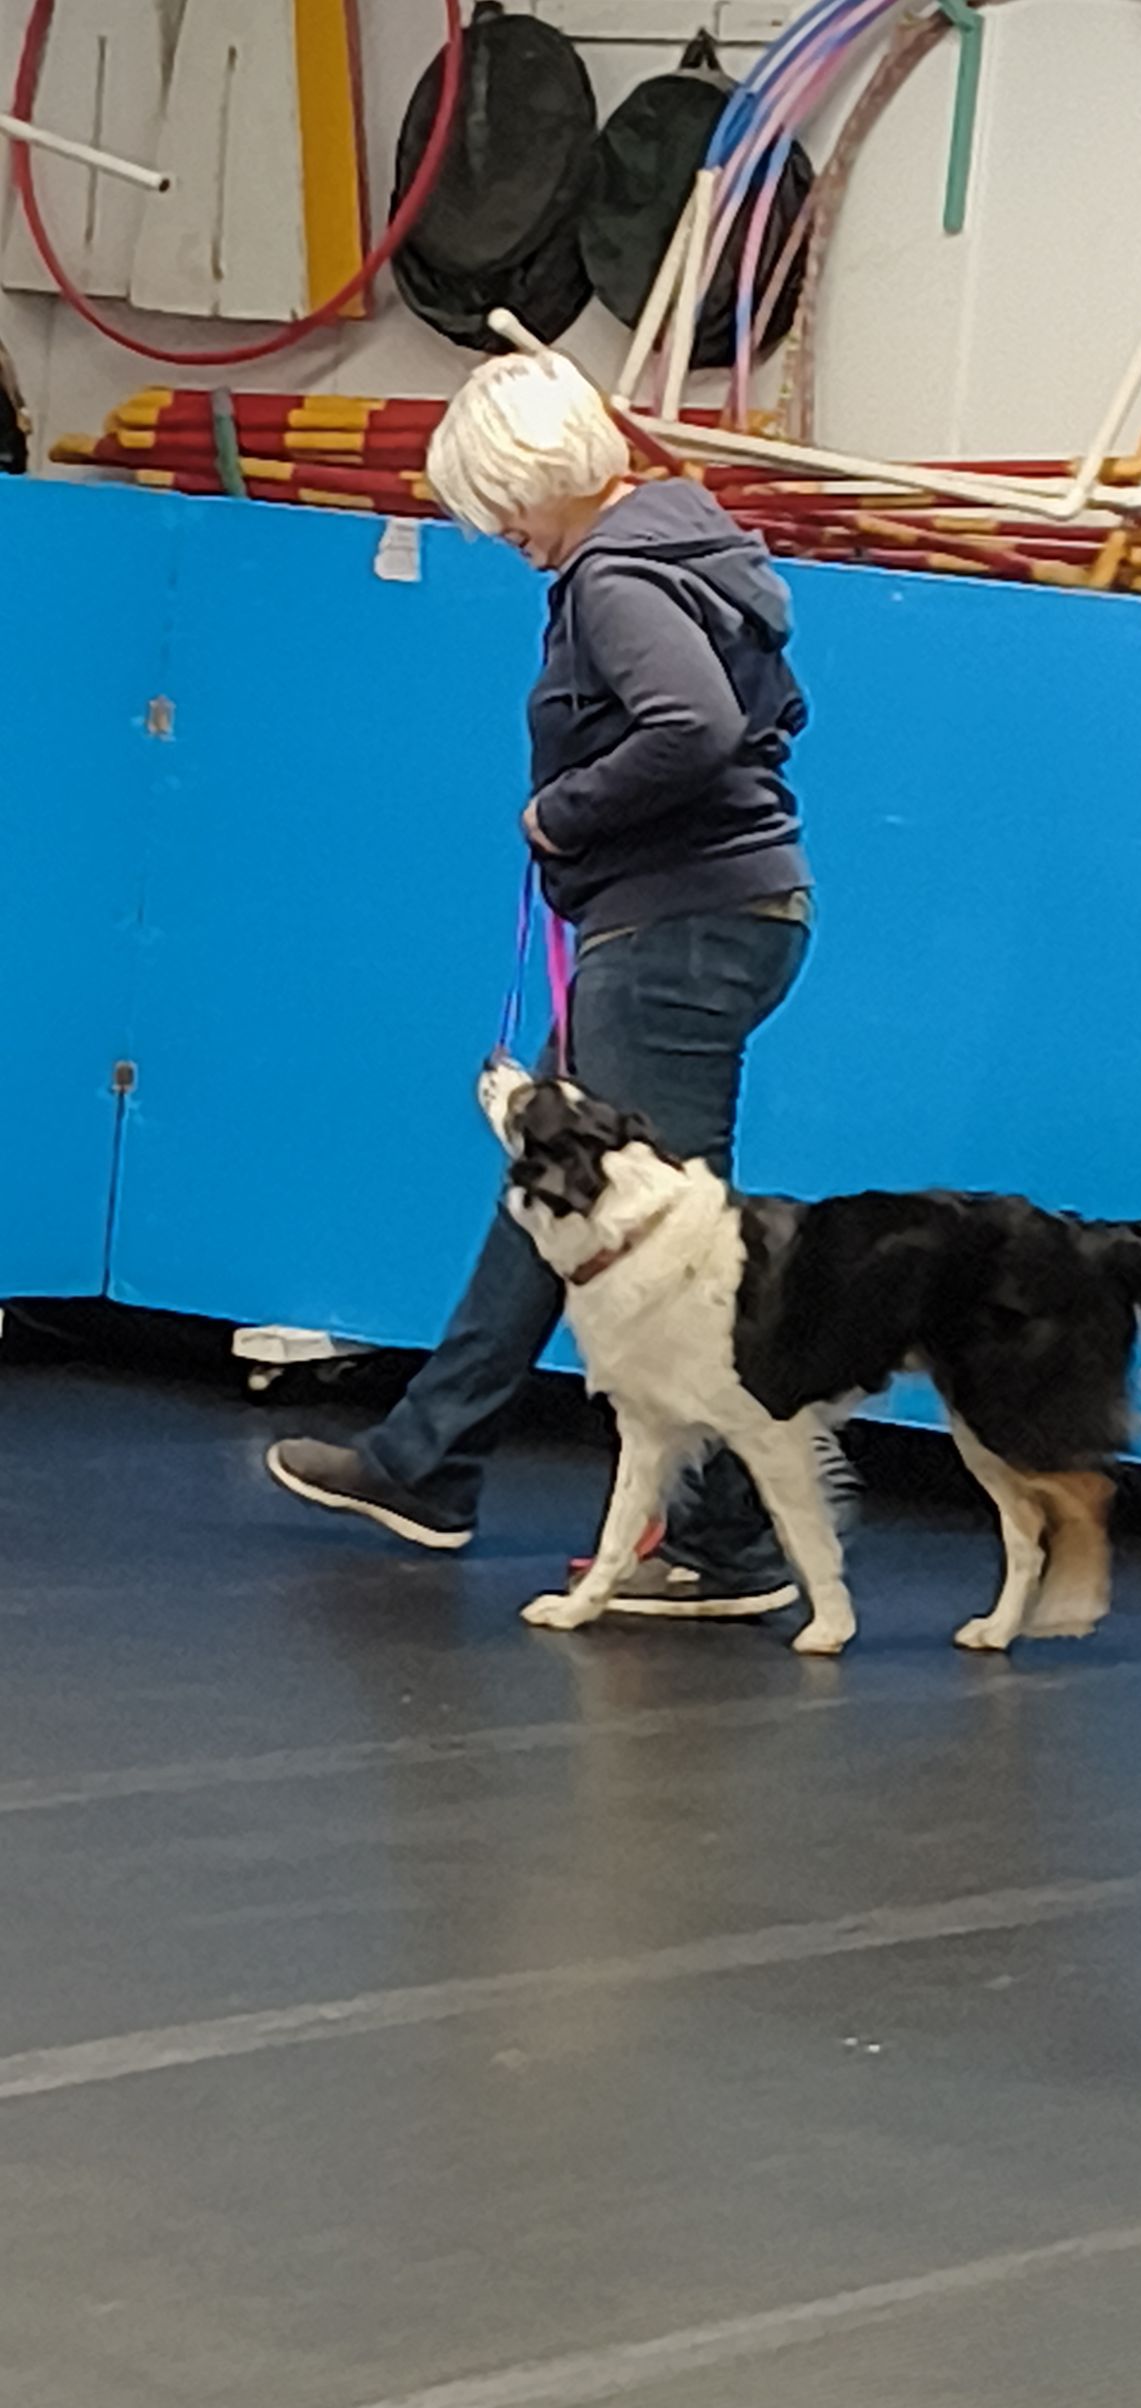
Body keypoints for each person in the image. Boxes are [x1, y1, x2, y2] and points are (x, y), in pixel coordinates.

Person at [267, 351, 813, 1618]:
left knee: (670, 1253)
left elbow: (692, 725)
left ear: (534, 477)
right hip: (715, 917)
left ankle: (731, 1544)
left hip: (672, 932)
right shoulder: (694, 549)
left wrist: (564, 812)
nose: (498, 533)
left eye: (498, 505)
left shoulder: (615, 578)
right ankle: (427, 1459)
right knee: (558, 1194)